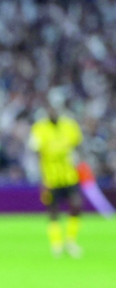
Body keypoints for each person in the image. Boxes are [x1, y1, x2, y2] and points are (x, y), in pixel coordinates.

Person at [28, 104, 84, 257]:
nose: (53, 111)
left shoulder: (69, 125)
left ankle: (71, 241)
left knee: (76, 204)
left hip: (69, 175)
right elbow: (36, 152)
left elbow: (78, 145)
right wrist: (42, 178)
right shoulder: (39, 128)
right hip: (50, 177)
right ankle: (57, 244)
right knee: (53, 210)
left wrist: (81, 162)